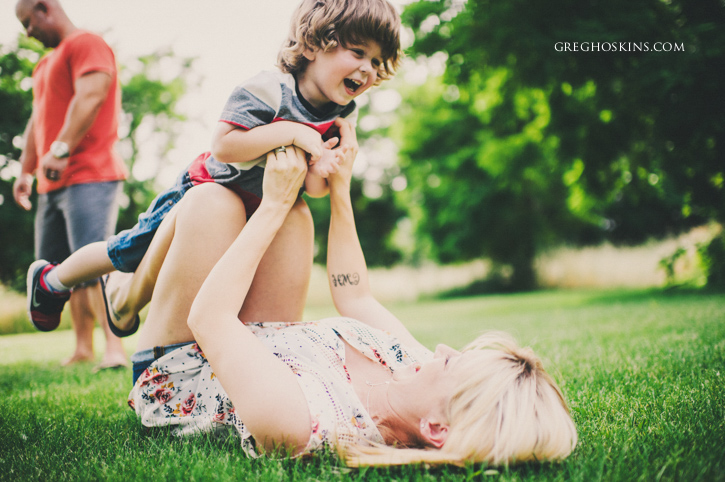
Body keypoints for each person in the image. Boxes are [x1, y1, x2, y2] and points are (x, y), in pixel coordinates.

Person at [114, 119, 577, 466]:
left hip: (183, 363)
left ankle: (123, 299)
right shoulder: (408, 367)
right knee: (298, 219)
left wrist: (272, 203)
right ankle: (129, 289)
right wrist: (340, 189)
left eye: (453, 362)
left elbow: (210, 321)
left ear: (436, 428)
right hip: (257, 335)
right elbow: (355, 297)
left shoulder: (305, 424)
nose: (441, 348)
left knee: (214, 203)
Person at [24, 0, 403, 340]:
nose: (367, 70)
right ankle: (52, 279)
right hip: (202, 190)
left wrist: (325, 167)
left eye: (376, 61)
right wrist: (292, 131)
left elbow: (314, 188)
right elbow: (225, 144)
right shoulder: (270, 90)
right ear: (311, 46)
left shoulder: (342, 112)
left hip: (259, 207)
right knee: (126, 250)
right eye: (358, 52)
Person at [13, 0, 128, 368]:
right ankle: (82, 348)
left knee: (93, 262)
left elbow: (92, 93)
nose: (28, 32)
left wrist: (61, 148)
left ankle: (114, 349)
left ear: (45, 8)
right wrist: (24, 171)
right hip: (52, 184)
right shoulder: (45, 63)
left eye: (28, 22)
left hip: (90, 174)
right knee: (59, 270)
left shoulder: (86, 44)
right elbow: (38, 120)